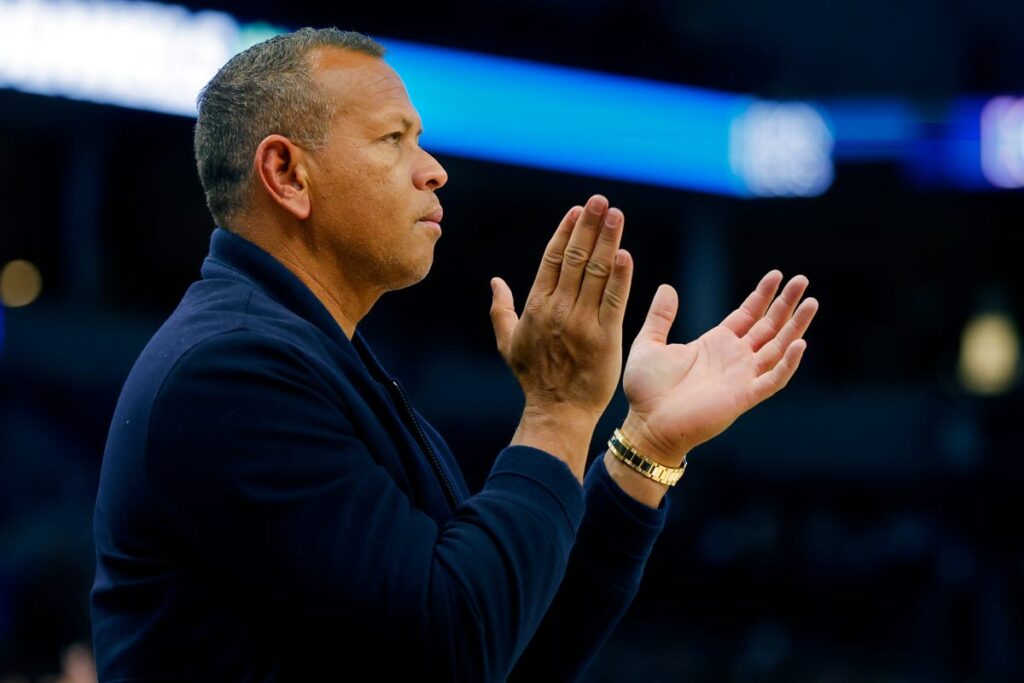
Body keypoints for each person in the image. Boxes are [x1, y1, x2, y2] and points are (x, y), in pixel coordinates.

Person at [90, 28, 818, 682]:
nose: (433, 168)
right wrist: (560, 410)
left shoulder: (303, 356)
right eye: (393, 139)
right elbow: (454, 644)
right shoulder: (228, 374)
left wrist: (643, 449)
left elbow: (515, 643)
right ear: (286, 174)